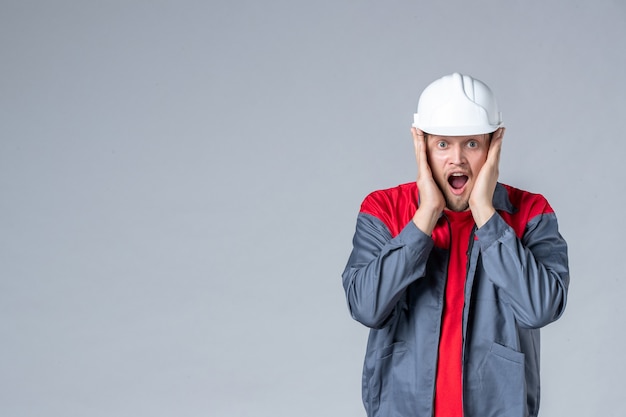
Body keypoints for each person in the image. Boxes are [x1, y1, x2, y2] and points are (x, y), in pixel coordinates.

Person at [341, 72, 569, 417]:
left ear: (494, 145)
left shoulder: (531, 213)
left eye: (472, 144)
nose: (457, 159)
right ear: (422, 145)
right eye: (443, 144)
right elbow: (366, 307)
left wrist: (486, 215)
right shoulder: (384, 210)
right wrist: (426, 216)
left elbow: (540, 309)